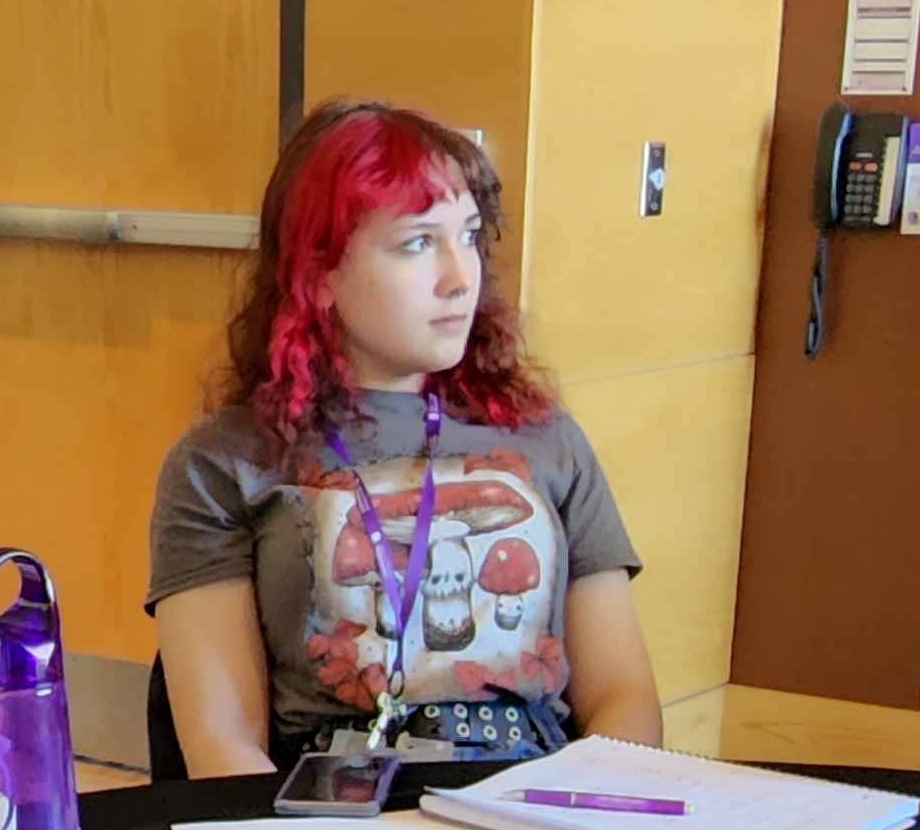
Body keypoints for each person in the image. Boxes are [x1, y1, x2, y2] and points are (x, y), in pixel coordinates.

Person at [149, 98, 665, 775]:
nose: (461, 277)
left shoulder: (546, 436)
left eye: (470, 235)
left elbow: (624, 697)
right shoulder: (222, 461)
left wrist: (581, 818)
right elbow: (222, 744)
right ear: (319, 274)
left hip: (532, 804)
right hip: (328, 819)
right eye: (419, 243)